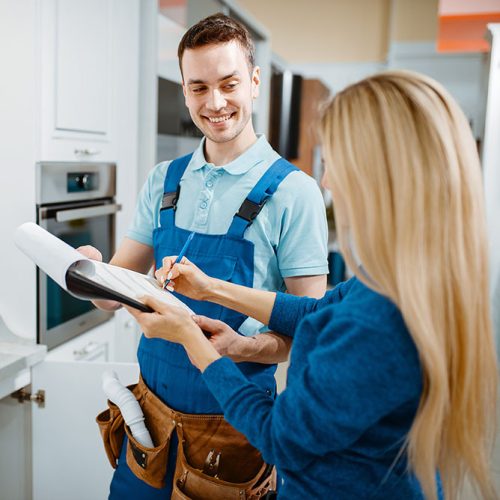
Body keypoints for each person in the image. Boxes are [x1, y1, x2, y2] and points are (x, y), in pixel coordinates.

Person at [127, 70, 498, 499]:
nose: (328, 181)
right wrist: (211, 289)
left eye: (336, 161)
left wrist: (192, 338)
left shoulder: (375, 323)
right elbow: (315, 311)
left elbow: (280, 437)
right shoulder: (405, 282)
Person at [82, 13, 328, 499]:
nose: (214, 103)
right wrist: (88, 275)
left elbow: (312, 334)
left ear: (255, 83)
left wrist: (241, 347)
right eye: (198, 88)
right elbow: (115, 293)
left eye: (229, 83)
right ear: (184, 89)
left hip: (232, 430)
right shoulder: (163, 180)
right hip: (146, 424)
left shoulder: (294, 194)